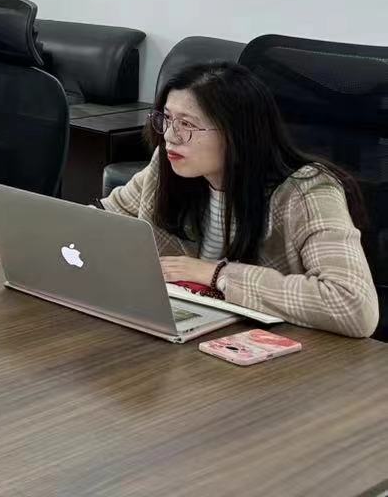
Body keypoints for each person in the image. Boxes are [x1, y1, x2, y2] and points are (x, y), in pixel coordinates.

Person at [101, 61, 378, 338]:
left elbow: (354, 306)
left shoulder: (308, 192)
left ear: (236, 134)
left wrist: (216, 274)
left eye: (187, 124)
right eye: (166, 118)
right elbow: (102, 224)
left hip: (274, 348)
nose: (170, 136)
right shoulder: (167, 166)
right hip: (184, 332)